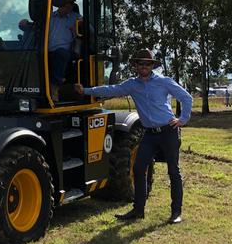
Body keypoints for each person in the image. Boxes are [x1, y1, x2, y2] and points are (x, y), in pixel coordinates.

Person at [75, 49, 193, 224]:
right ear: (136, 66)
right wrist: (85, 90)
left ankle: (176, 212)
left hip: (168, 131)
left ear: (152, 66)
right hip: (149, 134)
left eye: (147, 64)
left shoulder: (163, 82)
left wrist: (182, 119)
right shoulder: (132, 84)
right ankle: (138, 210)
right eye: (141, 63)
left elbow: (186, 97)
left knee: (173, 171)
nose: (144, 66)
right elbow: (110, 89)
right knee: (138, 169)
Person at [47, 0, 82, 101]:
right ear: (59, 3)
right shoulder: (50, 17)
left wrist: (79, 28)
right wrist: (25, 24)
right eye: (67, 3)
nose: (70, 6)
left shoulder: (76, 18)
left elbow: (91, 31)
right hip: (47, 51)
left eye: (71, 3)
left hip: (66, 52)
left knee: (61, 53)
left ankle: (54, 89)